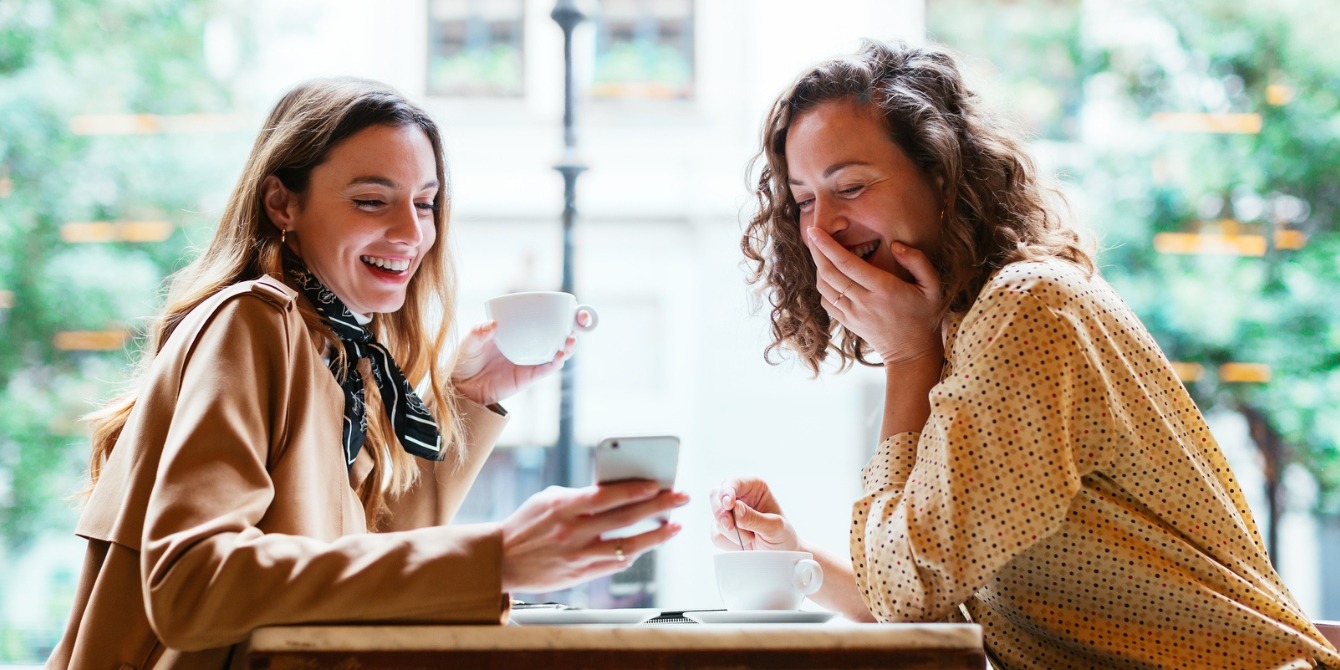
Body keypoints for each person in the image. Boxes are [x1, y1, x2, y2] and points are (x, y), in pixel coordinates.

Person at [712, 40, 1340, 669]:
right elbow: (930, 594)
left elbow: (912, 598)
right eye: (803, 201)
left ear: (939, 172)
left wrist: (905, 358)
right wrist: (794, 560)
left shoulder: (1026, 310)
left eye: (850, 186)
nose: (822, 228)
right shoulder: (960, 333)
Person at [47, 77, 686, 669]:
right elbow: (193, 583)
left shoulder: (339, 352)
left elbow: (356, 571)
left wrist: (468, 397)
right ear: (282, 203)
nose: (412, 231)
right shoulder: (253, 323)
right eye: (372, 200)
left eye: (427, 203)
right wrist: (495, 558)